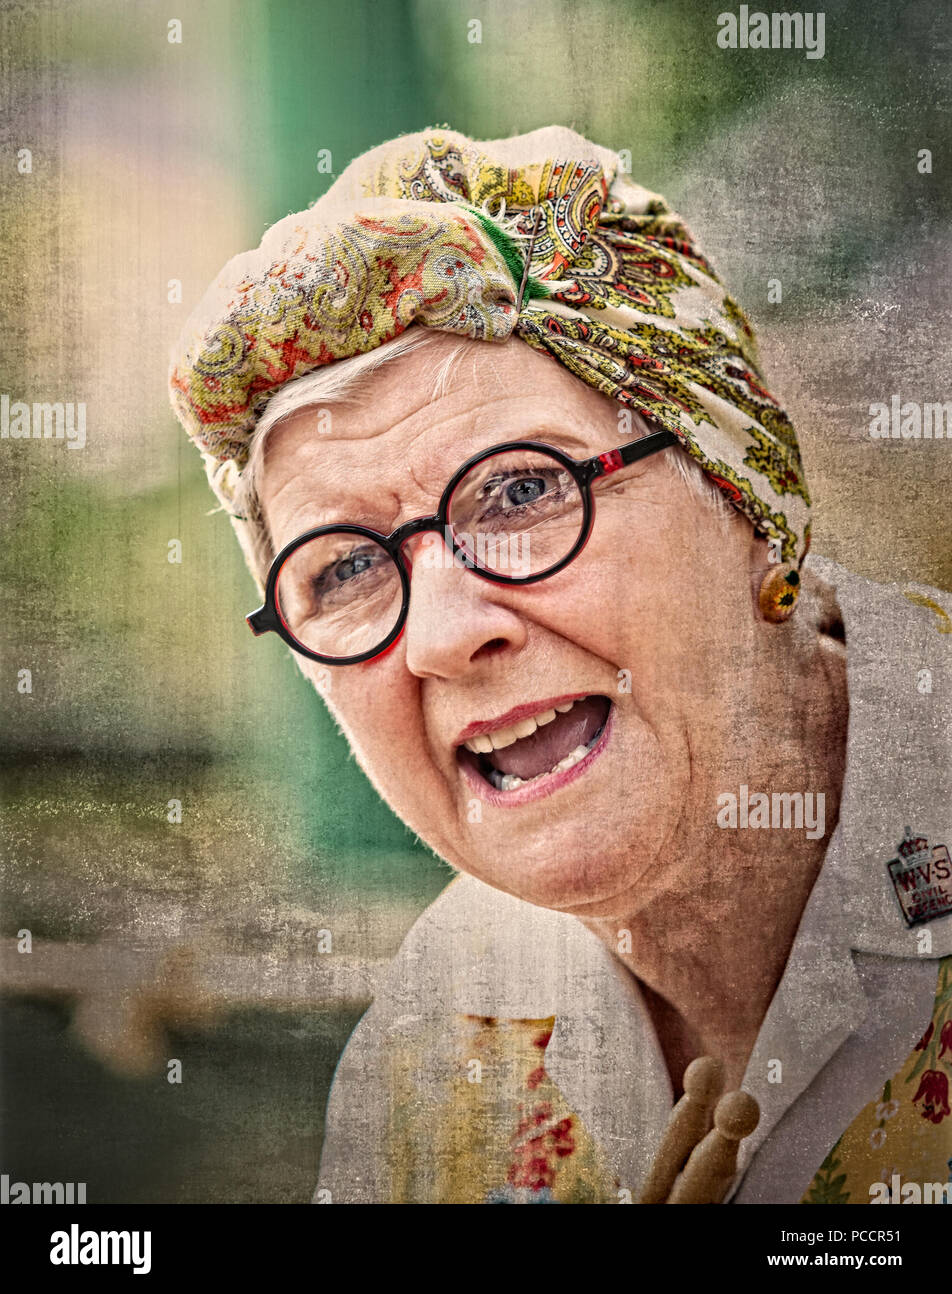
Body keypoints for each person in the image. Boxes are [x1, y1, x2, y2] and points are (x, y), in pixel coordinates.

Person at [170, 126, 952, 1204]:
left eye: (525, 491)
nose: (442, 634)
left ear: (746, 494)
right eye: (344, 567)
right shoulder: (434, 1057)